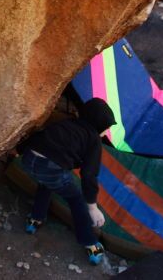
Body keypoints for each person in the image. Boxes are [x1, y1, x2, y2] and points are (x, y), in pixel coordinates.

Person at [13, 98, 116, 265]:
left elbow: (41, 135)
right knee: (76, 199)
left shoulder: (67, 123)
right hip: (50, 167)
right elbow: (89, 174)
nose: (106, 132)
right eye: (107, 128)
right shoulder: (94, 139)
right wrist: (92, 206)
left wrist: (19, 149)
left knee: (46, 183)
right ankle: (90, 243)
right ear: (99, 125)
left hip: (29, 158)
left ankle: (35, 219)